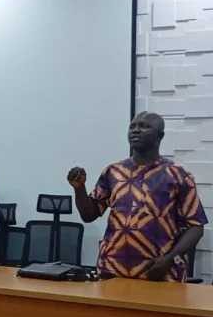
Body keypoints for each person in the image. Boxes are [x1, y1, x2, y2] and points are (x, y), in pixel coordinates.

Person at [67, 111, 207, 282]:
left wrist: (171, 258)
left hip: (160, 273)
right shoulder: (113, 172)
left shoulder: (177, 175)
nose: (136, 130)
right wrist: (79, 189)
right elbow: (89, 215)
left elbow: (196, 227)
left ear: (160, 136)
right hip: (112, 271)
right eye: (132, 126)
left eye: (144, 126)